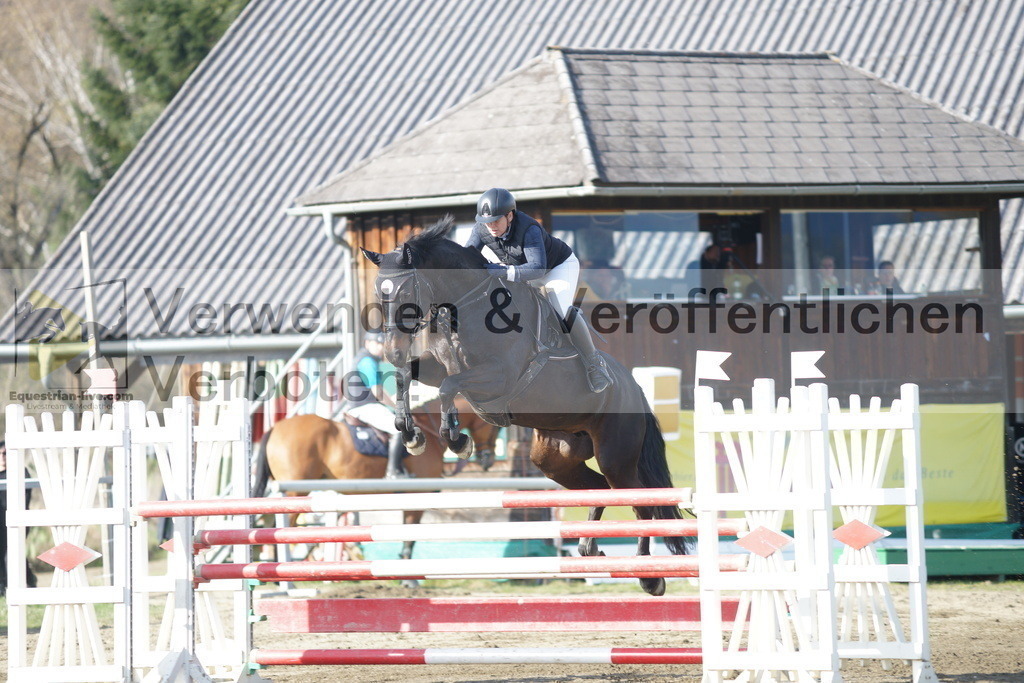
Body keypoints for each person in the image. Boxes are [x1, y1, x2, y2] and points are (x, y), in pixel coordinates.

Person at [465, 188, 612, 393]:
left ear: (510, 215)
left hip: (556, 268)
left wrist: (503, 271)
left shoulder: (529, 229)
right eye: (487, 221)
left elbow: (537, 269)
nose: (491, 226)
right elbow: (467, 258)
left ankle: (595, 364)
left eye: (496, 221)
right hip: (520, 269)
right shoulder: (482, 228)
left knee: (559, 309)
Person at [344, 332, 406, 478]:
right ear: (367, 343)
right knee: (400, 428)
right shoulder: (367, 361)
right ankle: (393, 471)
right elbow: (378, 393)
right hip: (365, 407)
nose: (380, 348)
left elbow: (379, 392)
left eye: (382, 345)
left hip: (363, 405)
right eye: (376, 344)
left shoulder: (366, 359)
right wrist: (397, 407)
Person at [0, 440, 37, 595]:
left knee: (13, 552)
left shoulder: (20, 472)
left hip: (15, 520)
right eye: (1, 454)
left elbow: (24, 498)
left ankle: (25, 583)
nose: (3, 457)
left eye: (6, 454)